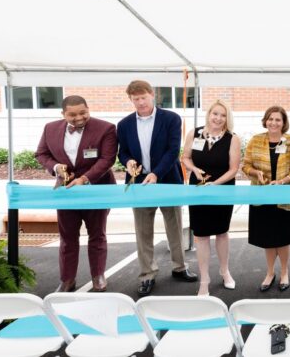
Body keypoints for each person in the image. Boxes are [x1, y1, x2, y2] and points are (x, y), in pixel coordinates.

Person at [117, 80, 197, 296]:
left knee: (175, 225)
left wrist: (156, 174)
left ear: (152, 95)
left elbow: (173, 151)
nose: (140, 102)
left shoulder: (171, 119)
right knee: (143, 231)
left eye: (143, 97)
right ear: (130, 100)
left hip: (168, 180)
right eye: (136, 99)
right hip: (139, 185)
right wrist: (128, 162)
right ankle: (147, 274)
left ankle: (180, 267)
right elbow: (122, 152)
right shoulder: (124, 125)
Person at [35, 95, 116, 292]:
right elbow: (41, 154)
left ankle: (98, 276)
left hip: (96, 190)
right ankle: (67, 280)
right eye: (72, 115)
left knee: (97, 235)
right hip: (65, 192)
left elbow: (107, 159)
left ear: (88, 109)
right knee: (67, 237)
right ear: (63, 114)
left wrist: (84, 179)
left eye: (83, 112)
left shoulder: (106, 128)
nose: (79, 118)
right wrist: (55, 167)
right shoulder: (50, 128)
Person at [181, 100, 241, 296]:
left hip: (223, 189)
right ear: (209, 114)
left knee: (222, 232)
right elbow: (185, 158)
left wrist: (215, 184)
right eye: (215, 113)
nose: (218, 118)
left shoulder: (232, 138)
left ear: (227, 119)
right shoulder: (194, 133)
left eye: (223, 115)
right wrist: (194, 169)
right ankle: (204, 279)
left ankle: (225, 271)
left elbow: (233, 169)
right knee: (201, 235)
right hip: (198, 189)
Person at [243, 106, 290, 293]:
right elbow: (246, 166)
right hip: (262, 198)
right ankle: (270, 273)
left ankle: (284, 272)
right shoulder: (255, 141)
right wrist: (256, 173)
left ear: (284, 123)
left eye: (278, 120)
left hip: (285, 198)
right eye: (270, 119)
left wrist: (284, 181)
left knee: (283, 237)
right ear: (265, 120)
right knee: (267, 238)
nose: (274, 123)